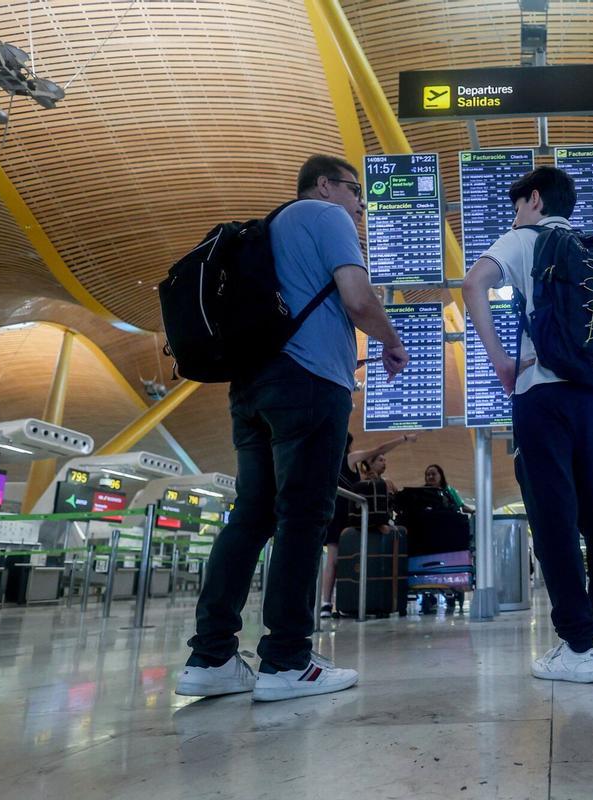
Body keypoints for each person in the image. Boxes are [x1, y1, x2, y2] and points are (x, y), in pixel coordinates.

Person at [177, 154, 409, 703]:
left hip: (255, 387)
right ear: (325, 185)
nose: (360, 205)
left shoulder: (273, 229)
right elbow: (357, 297)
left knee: (251, 517)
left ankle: (210, 656)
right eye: (356, 191)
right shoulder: (327, 218)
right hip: (307, 390)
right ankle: (287, 660)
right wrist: (391, 340)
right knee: (303, 518)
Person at [463, 165, 593, 684]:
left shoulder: (523, 238)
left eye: (518, 204)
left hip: (544, 395)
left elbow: (473, 286)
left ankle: (575, 647)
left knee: (554, 517)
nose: (516, 213)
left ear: (534, 200)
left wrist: (500, 363)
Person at [320, 433, 417, 618]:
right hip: (350, 515)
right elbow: (379, 448)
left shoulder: (328, 459)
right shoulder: (349, 458)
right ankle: (345, 599)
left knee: (333, 560)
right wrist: (403, 438)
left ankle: (327, 603)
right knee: (351, 558)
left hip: (334, 513)